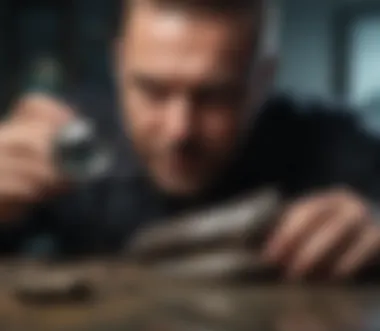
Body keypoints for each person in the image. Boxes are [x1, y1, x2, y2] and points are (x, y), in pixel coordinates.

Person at [0, 0, 379, 280]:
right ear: (118, 64)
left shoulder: (332, 142)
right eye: (152, 90)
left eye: (215, 96)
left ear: (264, 77)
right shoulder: (63, 137)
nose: (178, 130)